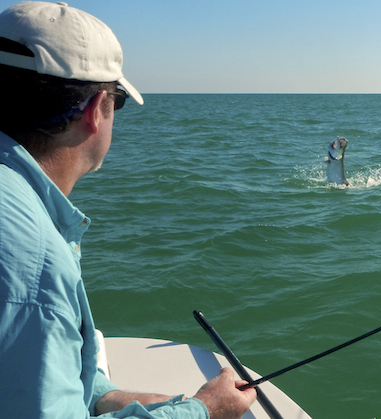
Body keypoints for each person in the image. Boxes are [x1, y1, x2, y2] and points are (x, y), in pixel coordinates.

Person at [0, 2, 256, 418]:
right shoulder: (33, 261)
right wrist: (203, 411)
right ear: (95, 109)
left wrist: (104, 397)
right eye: (116, 101)